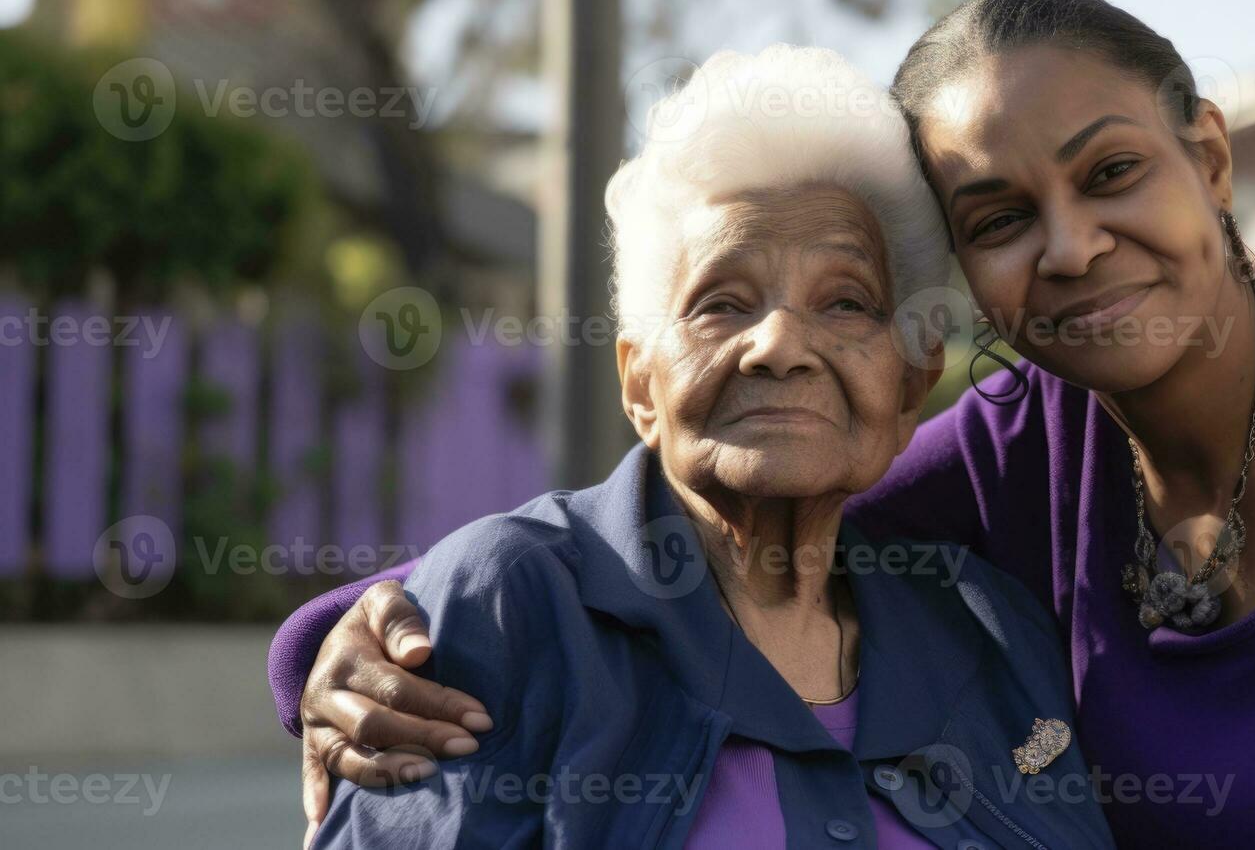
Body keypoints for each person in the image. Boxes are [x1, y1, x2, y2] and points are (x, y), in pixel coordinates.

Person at [279, 0, 1255, 847]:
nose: (1066, 245)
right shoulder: (1015, 453)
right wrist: (364, 632)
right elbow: (710, 520)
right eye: (996, 213)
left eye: (1110, 173)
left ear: (1211, 159)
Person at [306, 44, 1117, 850]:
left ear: (911, 383)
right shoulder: (520, 608)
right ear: (638, 384)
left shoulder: (992, 631)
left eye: (845, 303)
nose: (778, 344)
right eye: (721, 303)